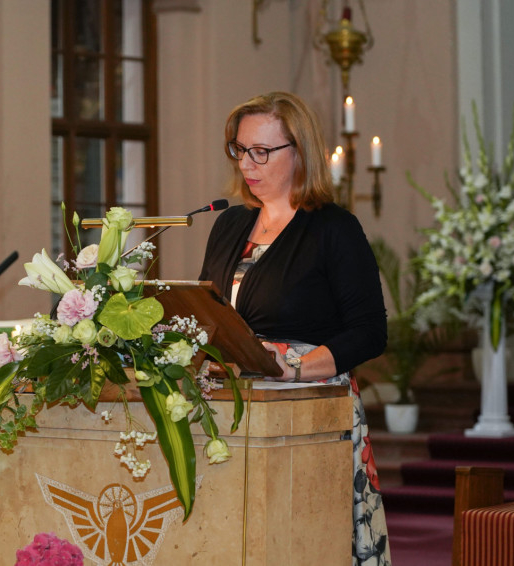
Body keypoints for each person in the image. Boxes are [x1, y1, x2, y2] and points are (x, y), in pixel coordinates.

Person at [199, 91, 391, 566]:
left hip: (310, 411)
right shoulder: (230, 224)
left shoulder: (333, 228)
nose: (247, 163)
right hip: (236, 408)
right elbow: (210, 314)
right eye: (240, 149)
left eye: (262, 151)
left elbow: (370, 331)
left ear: (300, 152)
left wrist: (296, 366)